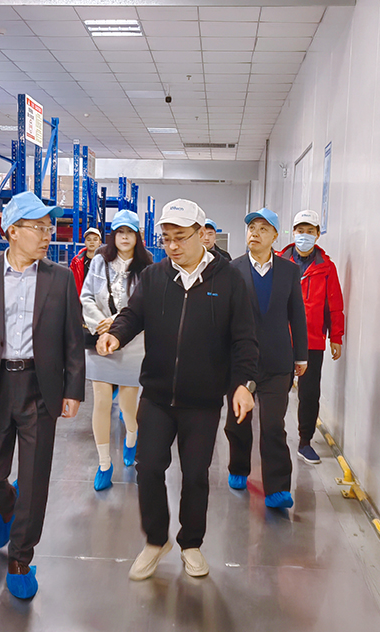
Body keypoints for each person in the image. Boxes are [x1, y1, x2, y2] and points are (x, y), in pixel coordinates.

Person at [97, 198, 258, 581]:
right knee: (148, 466)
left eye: (180, 237)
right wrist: (116, 335)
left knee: (196, 474)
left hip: (202, 401)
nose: (172, 246)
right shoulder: (155, 276)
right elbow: (133, 315)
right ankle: (156, 540)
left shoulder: (229, 279)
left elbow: (245, 340)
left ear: (202, 234)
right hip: (156, 395)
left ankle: (191, 543)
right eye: (166, 238)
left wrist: (243, 385)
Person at [0, 191, 85, 600]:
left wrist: (74, 388)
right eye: (38, 228)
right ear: (12, 231)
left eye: (49, 228)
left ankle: (21, 558)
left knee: (36, 477)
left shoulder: (60, 278)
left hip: (41, 387)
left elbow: (73, 340)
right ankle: (10, 506)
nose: (47, 235)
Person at [225, 207, 308, 509]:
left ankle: (278, 488)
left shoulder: (288, 271)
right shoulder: (232, 269)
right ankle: (238, 466)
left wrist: (301, 355)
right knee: (238, 421)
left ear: (275, 236)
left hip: (277, 361)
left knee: (273, 425)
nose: (255, 234)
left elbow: (297, 314)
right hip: (240, 362)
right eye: (251, 228)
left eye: (263, 229)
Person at [81, 209, 153, 491]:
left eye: (129, 232)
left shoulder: (147, 267)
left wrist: (118, 323)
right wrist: (101, 324)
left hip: (133, 344)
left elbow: (144, 306)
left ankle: (132, 438)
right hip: (100, 341)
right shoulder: (100, 261)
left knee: (128, 404)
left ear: (137, 236)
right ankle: (104, 464)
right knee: (100, 401)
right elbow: (86, 296)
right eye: (120, 232)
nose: (124, 237)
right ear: (113, 235)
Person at [277, 209, 344, 464]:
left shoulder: (326, 267)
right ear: (293, 232)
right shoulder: (279, 262)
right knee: (277, 390)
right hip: (281, 338)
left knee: (309, 393)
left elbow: (334, 305)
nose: (304, 235)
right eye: (300, 230)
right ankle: (274, 438)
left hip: (312, 340)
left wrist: (336, 336)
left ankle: (305, 442)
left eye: (309, 231)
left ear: (317, 234)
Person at [70, 227, 102, 293]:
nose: (92, 242)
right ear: (85, 242)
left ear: (100, 242)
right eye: (88, 239)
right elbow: (70, 283)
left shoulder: (106, 261)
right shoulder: (76, 262)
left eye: (95, 239)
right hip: (81, 298)